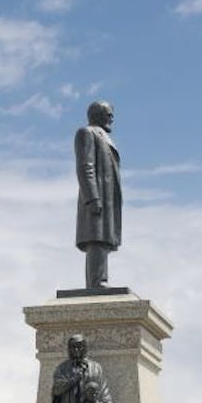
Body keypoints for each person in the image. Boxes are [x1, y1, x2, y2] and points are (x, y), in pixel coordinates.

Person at [74, 99, 122, 290]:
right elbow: (85, 166)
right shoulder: (87, 133)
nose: (112, 118)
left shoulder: (104, 136)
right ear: (97, 114)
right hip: (97, 196)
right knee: (96, 238)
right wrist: (92, 197)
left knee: (103, 240)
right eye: (108, 114)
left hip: (108, 197)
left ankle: (99, 280)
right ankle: (97, 282)